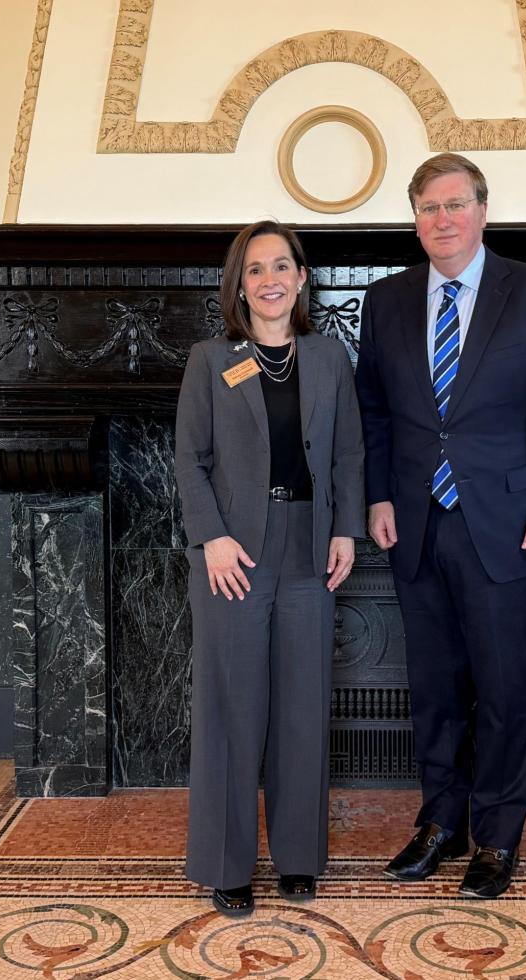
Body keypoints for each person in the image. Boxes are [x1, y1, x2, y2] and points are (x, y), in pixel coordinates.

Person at [355, 153, 526, 899]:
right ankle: (439, 823)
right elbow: (375, 412)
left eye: (454, 204)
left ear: (482, 211)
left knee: (503, 688)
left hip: (510, 523)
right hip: (417, 521)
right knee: (432, 687)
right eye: (427, 207)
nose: (442, 219)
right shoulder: (385, 301)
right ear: (414, 219)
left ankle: (495, 835)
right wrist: (378, 497)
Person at [176, 220, 364, 916]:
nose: (270, 279)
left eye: (281, 265)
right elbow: (189, 460)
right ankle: (226, 865)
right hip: (234, 553)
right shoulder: (210, 359)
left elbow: (348, 454)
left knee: (301, 703)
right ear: (239, 285)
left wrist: (346, 528)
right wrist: (212, 539)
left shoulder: (327, 360)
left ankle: (297, 858)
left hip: (308, 548)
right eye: (255, 269)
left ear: (301, 279)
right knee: (231, 707)